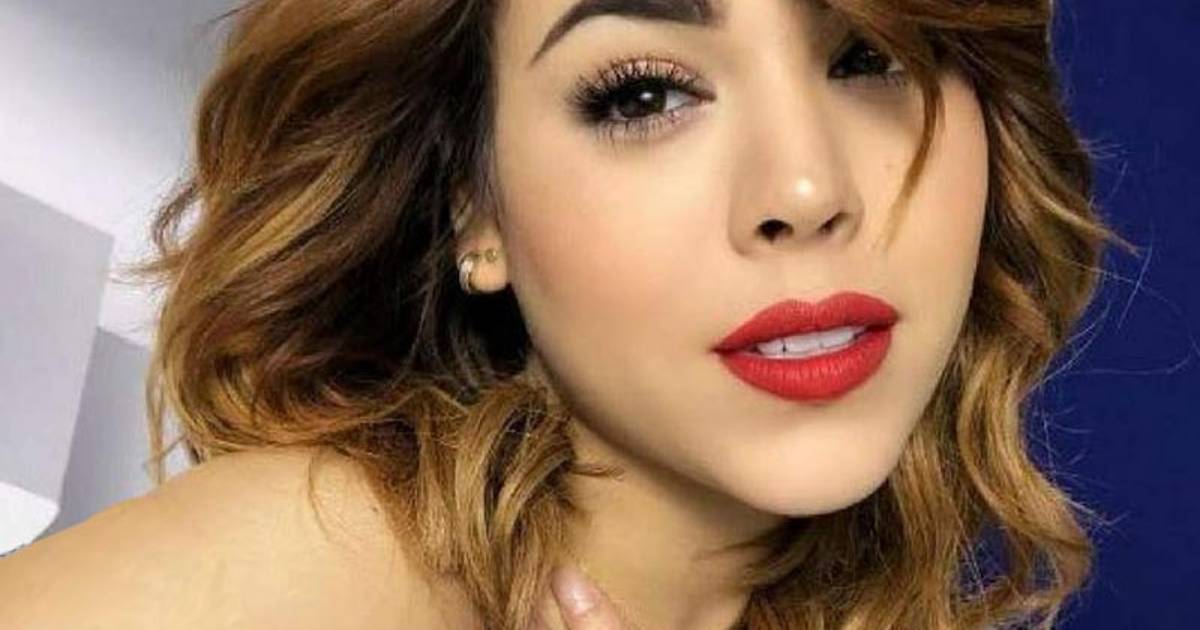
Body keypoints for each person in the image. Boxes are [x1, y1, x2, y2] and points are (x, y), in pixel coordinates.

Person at [0, 0, 1135, 628]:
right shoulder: (311, 563)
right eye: (644, 92)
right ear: (472, 205)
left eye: (873, 56)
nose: (804, 188)